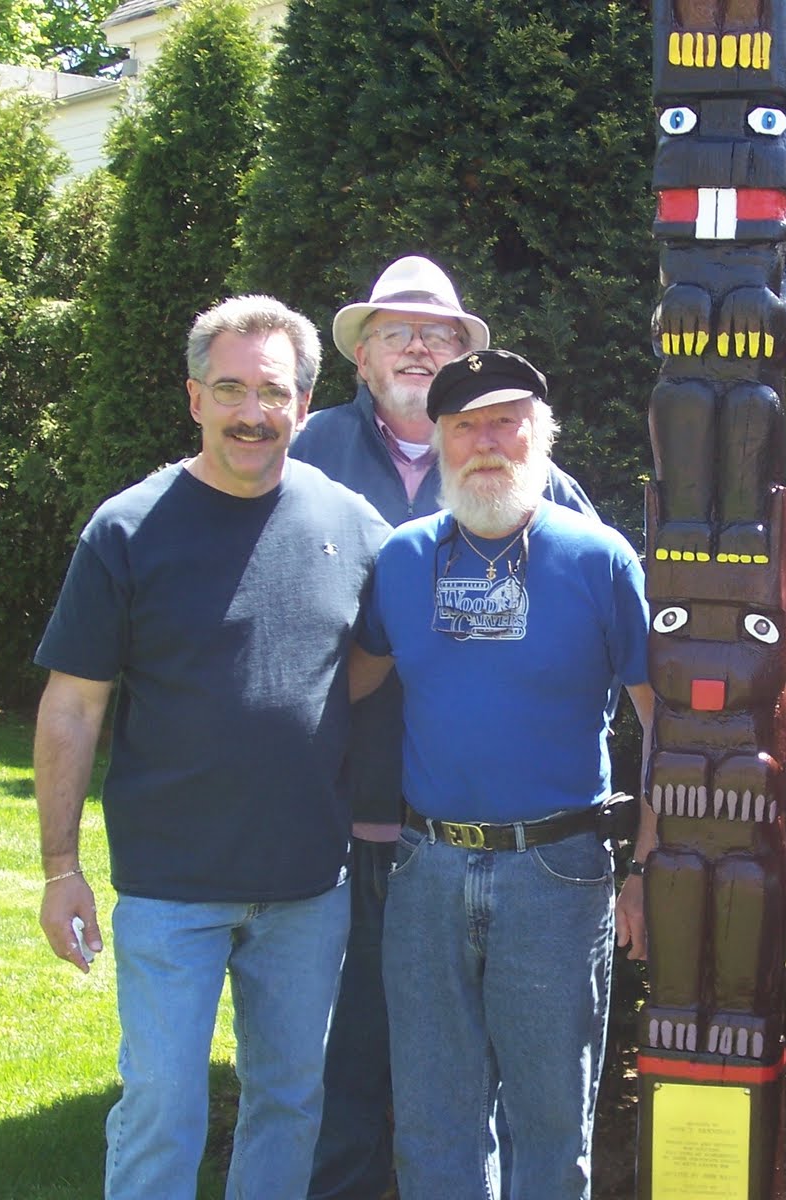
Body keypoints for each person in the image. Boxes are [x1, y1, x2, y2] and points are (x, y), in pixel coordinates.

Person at [33, 295, 392, 1199]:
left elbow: (371, 661)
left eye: (272, 392)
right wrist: (58, 867)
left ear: (305, 406)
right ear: (194, 399)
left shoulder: (353, 525)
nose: (250, 413)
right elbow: (73, 705)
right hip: (170, 887)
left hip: (309, 884)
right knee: (161, 1106)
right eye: (228, 389)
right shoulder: (127, 528)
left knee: (289, 1102)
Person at [294, 255, 595, 1200]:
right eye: (397, 332)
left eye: (438, 334)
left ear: (468, 354)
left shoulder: (544, 485)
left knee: (516, 1069)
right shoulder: (303, 457)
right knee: (350, 1054)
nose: (418, 346)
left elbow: (602, 642)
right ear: (364, 355)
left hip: (496, 836)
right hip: (344, 817)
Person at [348, 348, 652, 1200]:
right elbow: (342, 683)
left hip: (555, 873)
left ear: (541, 436)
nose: (484, 443)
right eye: (463, 427)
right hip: (426, 867)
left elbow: (665, 722)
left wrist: (647, 863)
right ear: (439, 442)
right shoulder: (404, 561)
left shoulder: (600, 561)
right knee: (434, 1121)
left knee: (552, 1125)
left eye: (504, 423)